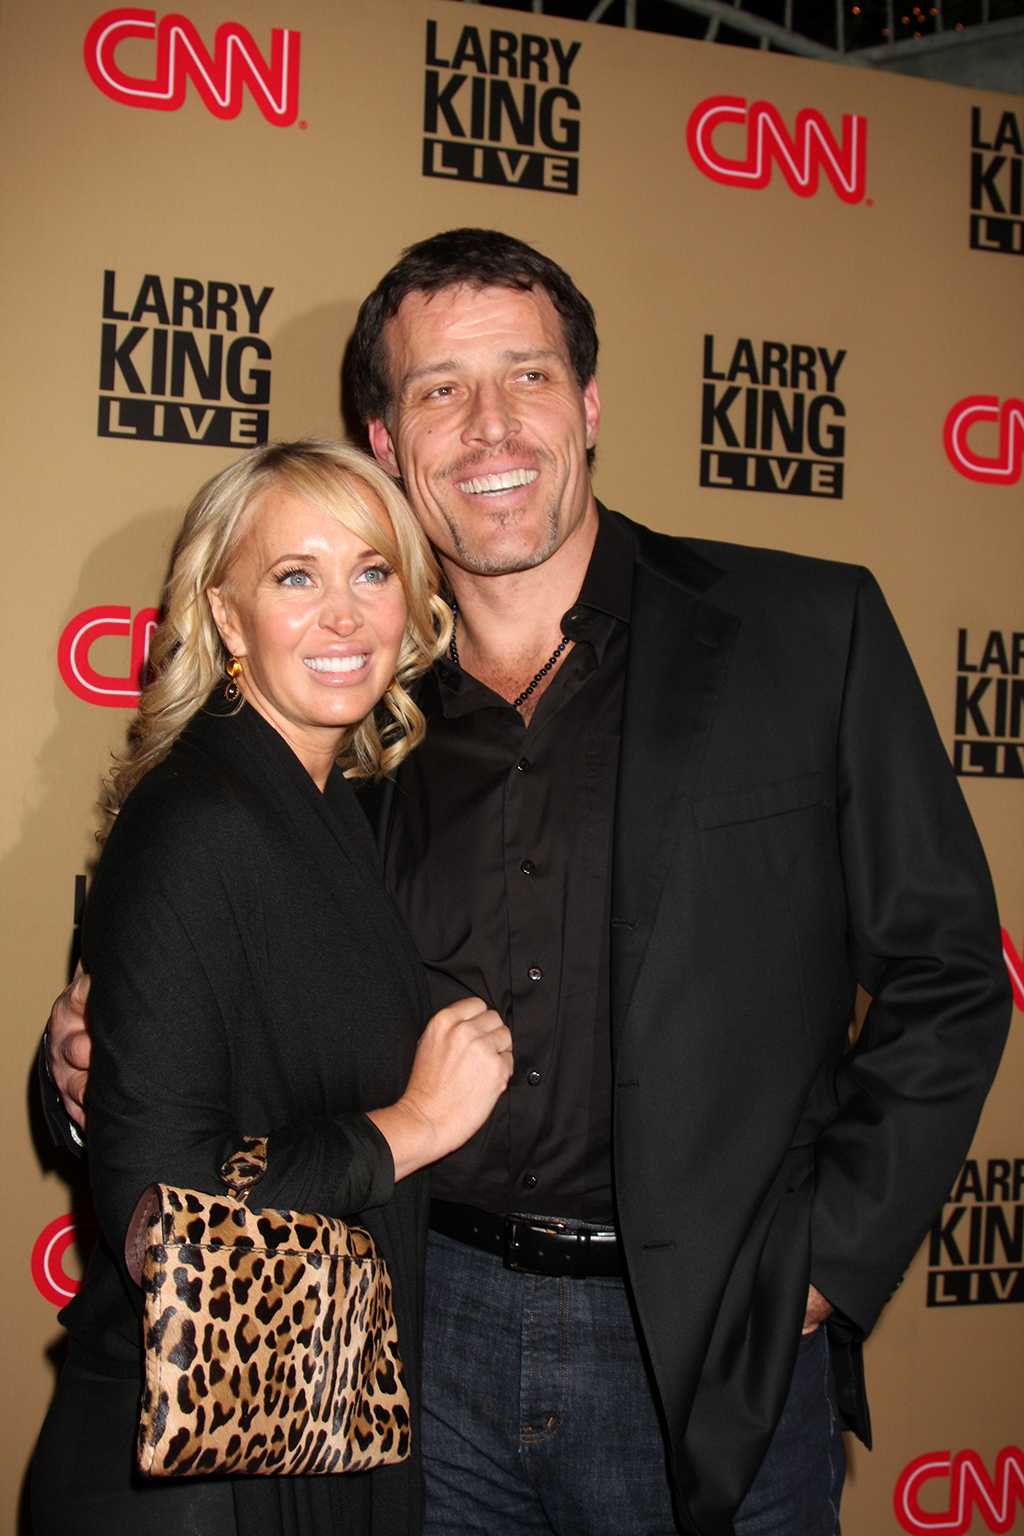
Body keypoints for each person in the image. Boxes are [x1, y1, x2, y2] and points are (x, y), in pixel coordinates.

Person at [45, 231, 1012, 1536]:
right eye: (439, 388)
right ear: (386, 441)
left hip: (702, 1346)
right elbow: (230, 1009)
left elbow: (948, 973)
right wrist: (85, 1062)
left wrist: (826, 1264)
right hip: (407, 1331)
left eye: (529, 375)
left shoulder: (803, 634)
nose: (489, 425)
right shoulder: (349, 711)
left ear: (590, 403)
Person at [33, 439, 513, 1536]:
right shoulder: (203, 819)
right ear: (227, 616)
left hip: (322, 1407)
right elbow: (164, 1213)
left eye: (372, 571)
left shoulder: (336, 800)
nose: (344, 615)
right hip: (205, 1462)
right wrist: (411, 1126)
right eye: (296, 576)